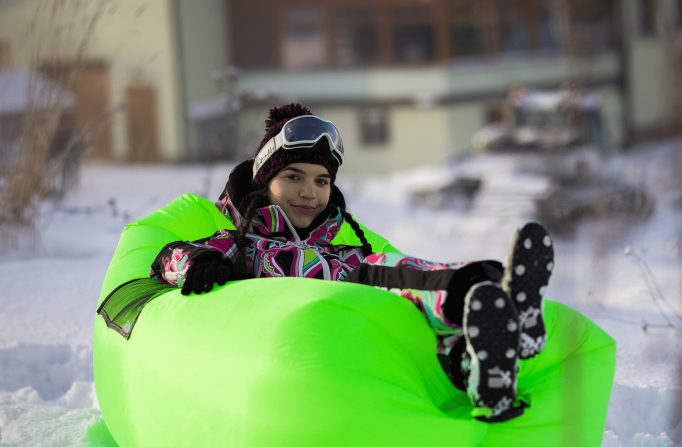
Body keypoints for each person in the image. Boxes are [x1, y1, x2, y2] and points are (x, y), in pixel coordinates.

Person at [150, 104, 554, 422]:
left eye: (322, 181)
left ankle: (486, 320)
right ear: (263, 182)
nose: (309, 192)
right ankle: (483, 340)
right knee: (372, 272)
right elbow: (166, 257)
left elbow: (394, 274)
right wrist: (199, 262)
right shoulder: (242, 245)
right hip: (293, 348)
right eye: (293, 177)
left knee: (390, 271)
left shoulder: (345, 254)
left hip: (357, 326)